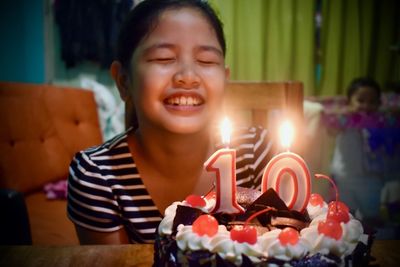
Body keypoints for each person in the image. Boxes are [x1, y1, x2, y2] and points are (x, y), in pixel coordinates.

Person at [67, 0, 274, 244]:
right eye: (163, 58)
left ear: (224, 80)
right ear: (124, 81)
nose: (188, 77)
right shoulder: (97, 175)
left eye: (206, 61)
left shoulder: (254, 152)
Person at [330, 77, 383, 222]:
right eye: (360, 101)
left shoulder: (381, 122)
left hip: (372, 180)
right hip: (346, 178)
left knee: (372, 217)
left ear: (379, 104)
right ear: (349, 103)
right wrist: (346, 114)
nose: (366, 106)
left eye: (372, 102)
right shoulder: (344, 121)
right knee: (346, 216)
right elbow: (331, 129)